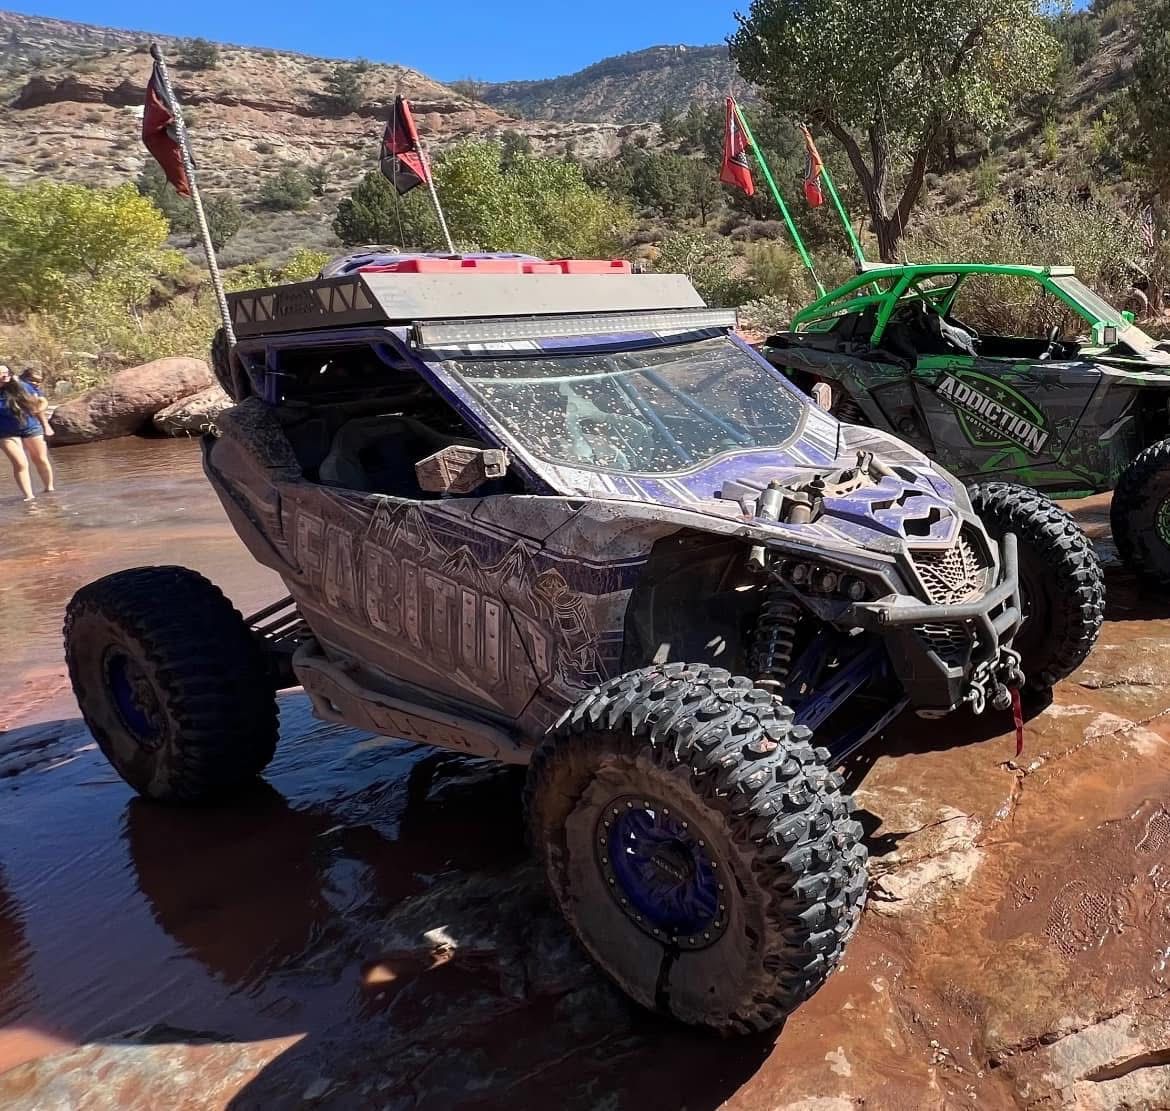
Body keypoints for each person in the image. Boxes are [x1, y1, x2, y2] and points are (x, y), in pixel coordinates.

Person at [0, 364, 54, 501]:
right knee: (20, 463)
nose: (4, 375)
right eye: (1, 373)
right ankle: (29, 497)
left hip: (30, 427)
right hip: (5, 432)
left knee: (40, 459)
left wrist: (42, 419)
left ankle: (49, 489)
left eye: (6, 372)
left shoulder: (21, 386)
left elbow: (42, 401)